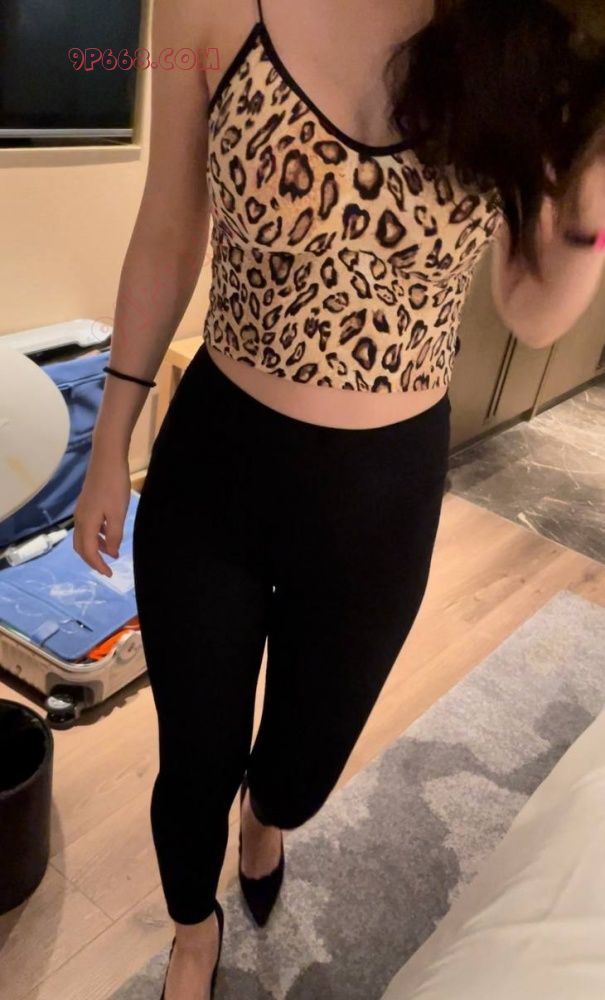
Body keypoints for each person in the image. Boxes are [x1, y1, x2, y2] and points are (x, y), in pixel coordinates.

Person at [73, 1, 605, 997]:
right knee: (193, 758)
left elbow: (531, 311)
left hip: (381, 494)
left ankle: (267, 815)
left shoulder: (511, 36)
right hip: (215, 470)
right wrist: (109, 444)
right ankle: (193, 929)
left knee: (303, 765)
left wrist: (586, 182)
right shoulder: (208, 6)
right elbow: (169, 228)